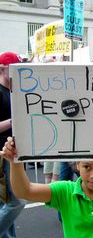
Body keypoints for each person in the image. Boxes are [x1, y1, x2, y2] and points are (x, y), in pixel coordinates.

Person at [0, 51, 26, 238]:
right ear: (3, 69)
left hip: (11, 154)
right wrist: (14, 120)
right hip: (3, 156)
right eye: (15, 67)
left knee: (6, 203)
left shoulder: (11, 91)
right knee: (17, 202)